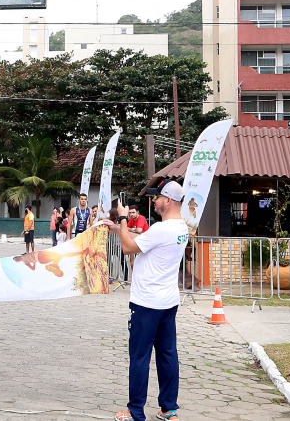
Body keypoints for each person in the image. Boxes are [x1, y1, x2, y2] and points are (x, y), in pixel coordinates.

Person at [102, 179, 188, 421]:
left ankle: (135, 411)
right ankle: (169, 409)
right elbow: (145, 242)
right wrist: (117, 230)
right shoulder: (181, 228)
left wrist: (121, 218)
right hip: (167, 302)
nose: (154, 200)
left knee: (139, 357)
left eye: (157, 197)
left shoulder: (162, 229)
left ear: (168, 201)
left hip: (147, 303)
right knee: (168, 354)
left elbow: (129, 248)